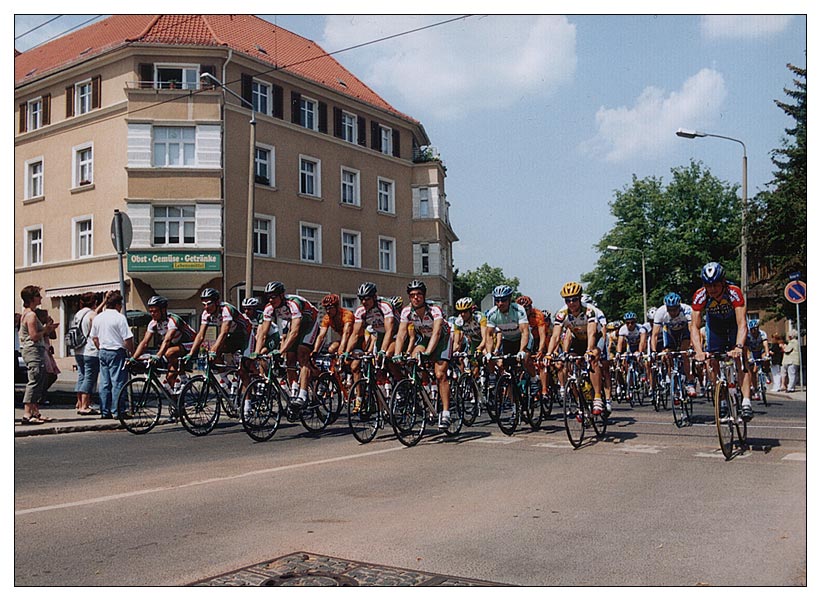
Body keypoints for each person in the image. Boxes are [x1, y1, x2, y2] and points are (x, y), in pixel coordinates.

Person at [689, 261, 753, 420]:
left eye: (715, 285)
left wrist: (738, 346)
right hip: (715, 326)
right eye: (708, 285)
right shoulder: (700, 295)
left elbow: (742, 323)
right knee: (711, 361)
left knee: (742, 358)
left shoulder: (734, 292)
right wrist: (698, 351)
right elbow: (694, 327)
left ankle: (746, 401)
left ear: (723, 282)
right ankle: (722, 399)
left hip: (733, 325)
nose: (712, 289)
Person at [393, 280, 452, 430]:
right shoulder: (407, 311)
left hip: (442, 339)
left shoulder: (434, 310)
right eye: (412, 295)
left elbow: (437, 332)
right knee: (411, 361)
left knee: (440, 374)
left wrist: (427, 353)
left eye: (419, 294)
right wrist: (397, 354)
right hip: (425, 338)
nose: (416, 297)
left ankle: (445, 413)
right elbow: (401, 335)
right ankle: (423, 393)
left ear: (424, 296)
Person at [254, 281, 319, 416]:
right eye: (269, 297)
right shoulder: (269, 308)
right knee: (290, 359)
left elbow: (294, 332)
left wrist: (280, 351)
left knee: (301, 354)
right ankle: (294, 391)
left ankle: (303, 395)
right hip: (294, 324)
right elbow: (263, 333)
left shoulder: (293, 303)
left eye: (274, 296)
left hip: (310, 323)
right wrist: (256, 353)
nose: (271, 300)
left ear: (282, 295)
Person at [547, 282, 605, 415]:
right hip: (578, 339)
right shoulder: (562, 313)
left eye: (574, 299)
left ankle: (597, 397)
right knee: (569, 363)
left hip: (595, 337)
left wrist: (590, 350)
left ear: (580, 298)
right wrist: (549, 354)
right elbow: (555, 336)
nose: (571, 303)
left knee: (593, 358)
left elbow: (592, 333)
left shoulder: (589, 310)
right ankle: (580, 402)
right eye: (568, 300)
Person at [131, 295, 197, 391]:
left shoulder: (173, 320)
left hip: (191, 343)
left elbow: (167, 340)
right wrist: (134, 358)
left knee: (169, 352)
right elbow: (144, 342)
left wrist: (157, 356)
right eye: (151, 311)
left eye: (155, 311)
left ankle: (184, 379)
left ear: (163, 310)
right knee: (169, 380)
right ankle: (177, 404)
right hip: (176, 346)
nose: (153, 314)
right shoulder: (153, 323)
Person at [90, 290, 135, 419]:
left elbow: (94, 338)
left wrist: (100, 349)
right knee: (118, 383)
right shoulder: (119, 318)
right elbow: (127, 338)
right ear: (117, 305)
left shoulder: (99, 317)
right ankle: (118, 411)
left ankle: (105, 411)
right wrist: (132, 354)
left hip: (103, 351)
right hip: (116, 351)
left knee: (105, 383)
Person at [18, 285, 58, 424]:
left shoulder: (28, 313)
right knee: (34, 381)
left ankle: (35, 412)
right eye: (38, 295)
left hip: (34, 350)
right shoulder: (31, 315)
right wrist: (46, 329)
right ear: (32, 298)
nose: (41, 298)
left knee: (40, 380)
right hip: (33, 350)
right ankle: (27, 414)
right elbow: (34, 336)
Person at [651, 292, 695, 395]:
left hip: (684, 332)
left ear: (679, 306)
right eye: (670, 309)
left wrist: (692, 346)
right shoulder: (660, 312)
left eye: (675, 309)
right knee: (668, 355)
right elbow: (655, 335)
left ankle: (690, 382)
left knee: (684, 354)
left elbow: (692, 329)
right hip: (670, 333)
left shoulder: (687, 310)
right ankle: (672, 381)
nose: (672, 312)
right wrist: (653, 351)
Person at [72, 292, 104, 415]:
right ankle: (85, 405)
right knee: (90, 378)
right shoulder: (92, 315)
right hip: (90, 350)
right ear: (94, 302)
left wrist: (104, 302)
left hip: (78, 350)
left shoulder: (78, 314)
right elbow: (96, 332)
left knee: (81, 376)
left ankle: (79, 403)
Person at [746, 319, 771, 399]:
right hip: (753, 352)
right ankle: (756, 388)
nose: (754, 331)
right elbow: (746, 349)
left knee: (766, 359)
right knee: (753, 371)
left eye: (755, 329)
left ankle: (766, 373)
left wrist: (767, 354)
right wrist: (748, 358)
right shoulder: (748, 336)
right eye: (752, 329)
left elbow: (765, 344)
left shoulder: (762, 334)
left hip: (761, 351)